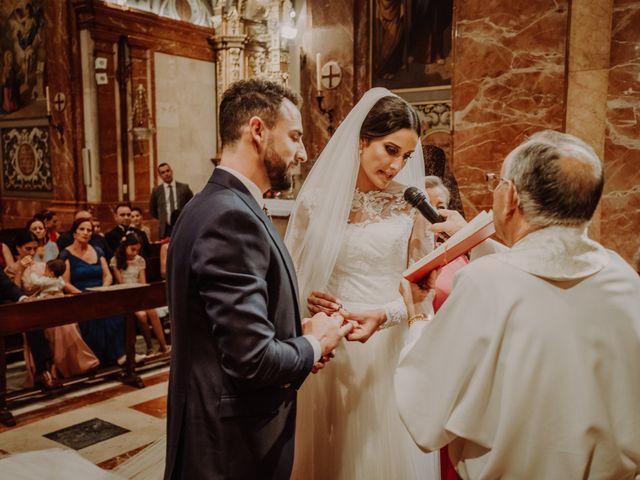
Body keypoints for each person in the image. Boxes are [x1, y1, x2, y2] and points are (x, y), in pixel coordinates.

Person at [396, 131, 640, 478]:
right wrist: (474, 239)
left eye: (497, 182)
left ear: (510, 196)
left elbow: (425, 414)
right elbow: (536, 268)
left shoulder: (485, 285)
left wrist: (418, 316)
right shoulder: (624, 278)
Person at [164, 79, 352, 480]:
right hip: (231, 449)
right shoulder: (230, 218)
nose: (302, 153)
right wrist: (316, 342)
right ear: (257, 130)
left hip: (213, 433)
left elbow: (229, 334)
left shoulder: (212, 204)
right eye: (295, 137)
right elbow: (252, 360)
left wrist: (294, 335)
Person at [285, 88, 439, 479]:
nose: (396, 166)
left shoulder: (411, 206)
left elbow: (426, 296)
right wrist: (307, 300)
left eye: (405, 156)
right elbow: (290, 277)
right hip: (328, 350)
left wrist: (385, 316)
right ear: (362, 139)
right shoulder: (315, 202)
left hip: (386, 349)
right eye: (390, 150)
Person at [60, 218, 131, 366]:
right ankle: (102, 358)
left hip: (100, 292)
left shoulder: (97, 251)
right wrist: (82, 295)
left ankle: (121, 354)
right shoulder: (66, 253)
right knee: (93, 317)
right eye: (82, 229)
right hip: (80, 295)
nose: (86, 233)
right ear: (74, 233)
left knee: (117, 313)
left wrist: (104, 288)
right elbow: (65, 282)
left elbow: (108, 275)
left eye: (89, 230)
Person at [22, 258, 99, 382]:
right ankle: (57, 366)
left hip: (49, 305)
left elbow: (36, 282)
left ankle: (62, 365)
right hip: (45, 307)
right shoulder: (59, 281)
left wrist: (31, 272)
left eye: (46, 270)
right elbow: (63, 285)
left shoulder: (46, 280)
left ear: (51, 272)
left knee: (67, 326)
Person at [110, 233, 170, 354]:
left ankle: (163, 345)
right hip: (124, 294)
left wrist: (143, 295)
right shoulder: (116, 260)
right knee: (142, 315)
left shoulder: (140, 260)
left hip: (139, 293)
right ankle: (149, 346)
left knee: (152, 313)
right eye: (132, 249)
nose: (135, 253)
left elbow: (143, 282)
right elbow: (120, 282)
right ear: (125, 246)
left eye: (138, 250)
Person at [149, 162, 193, 239]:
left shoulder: (184, 188)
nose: (166, 174)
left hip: (182, 226)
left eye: (167, 171)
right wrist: (163, 218)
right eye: (163, 172)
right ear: (160, 176)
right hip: (166, 229)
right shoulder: (156, 191)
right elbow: (153, 211)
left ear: (171, 171)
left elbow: (192, 205)